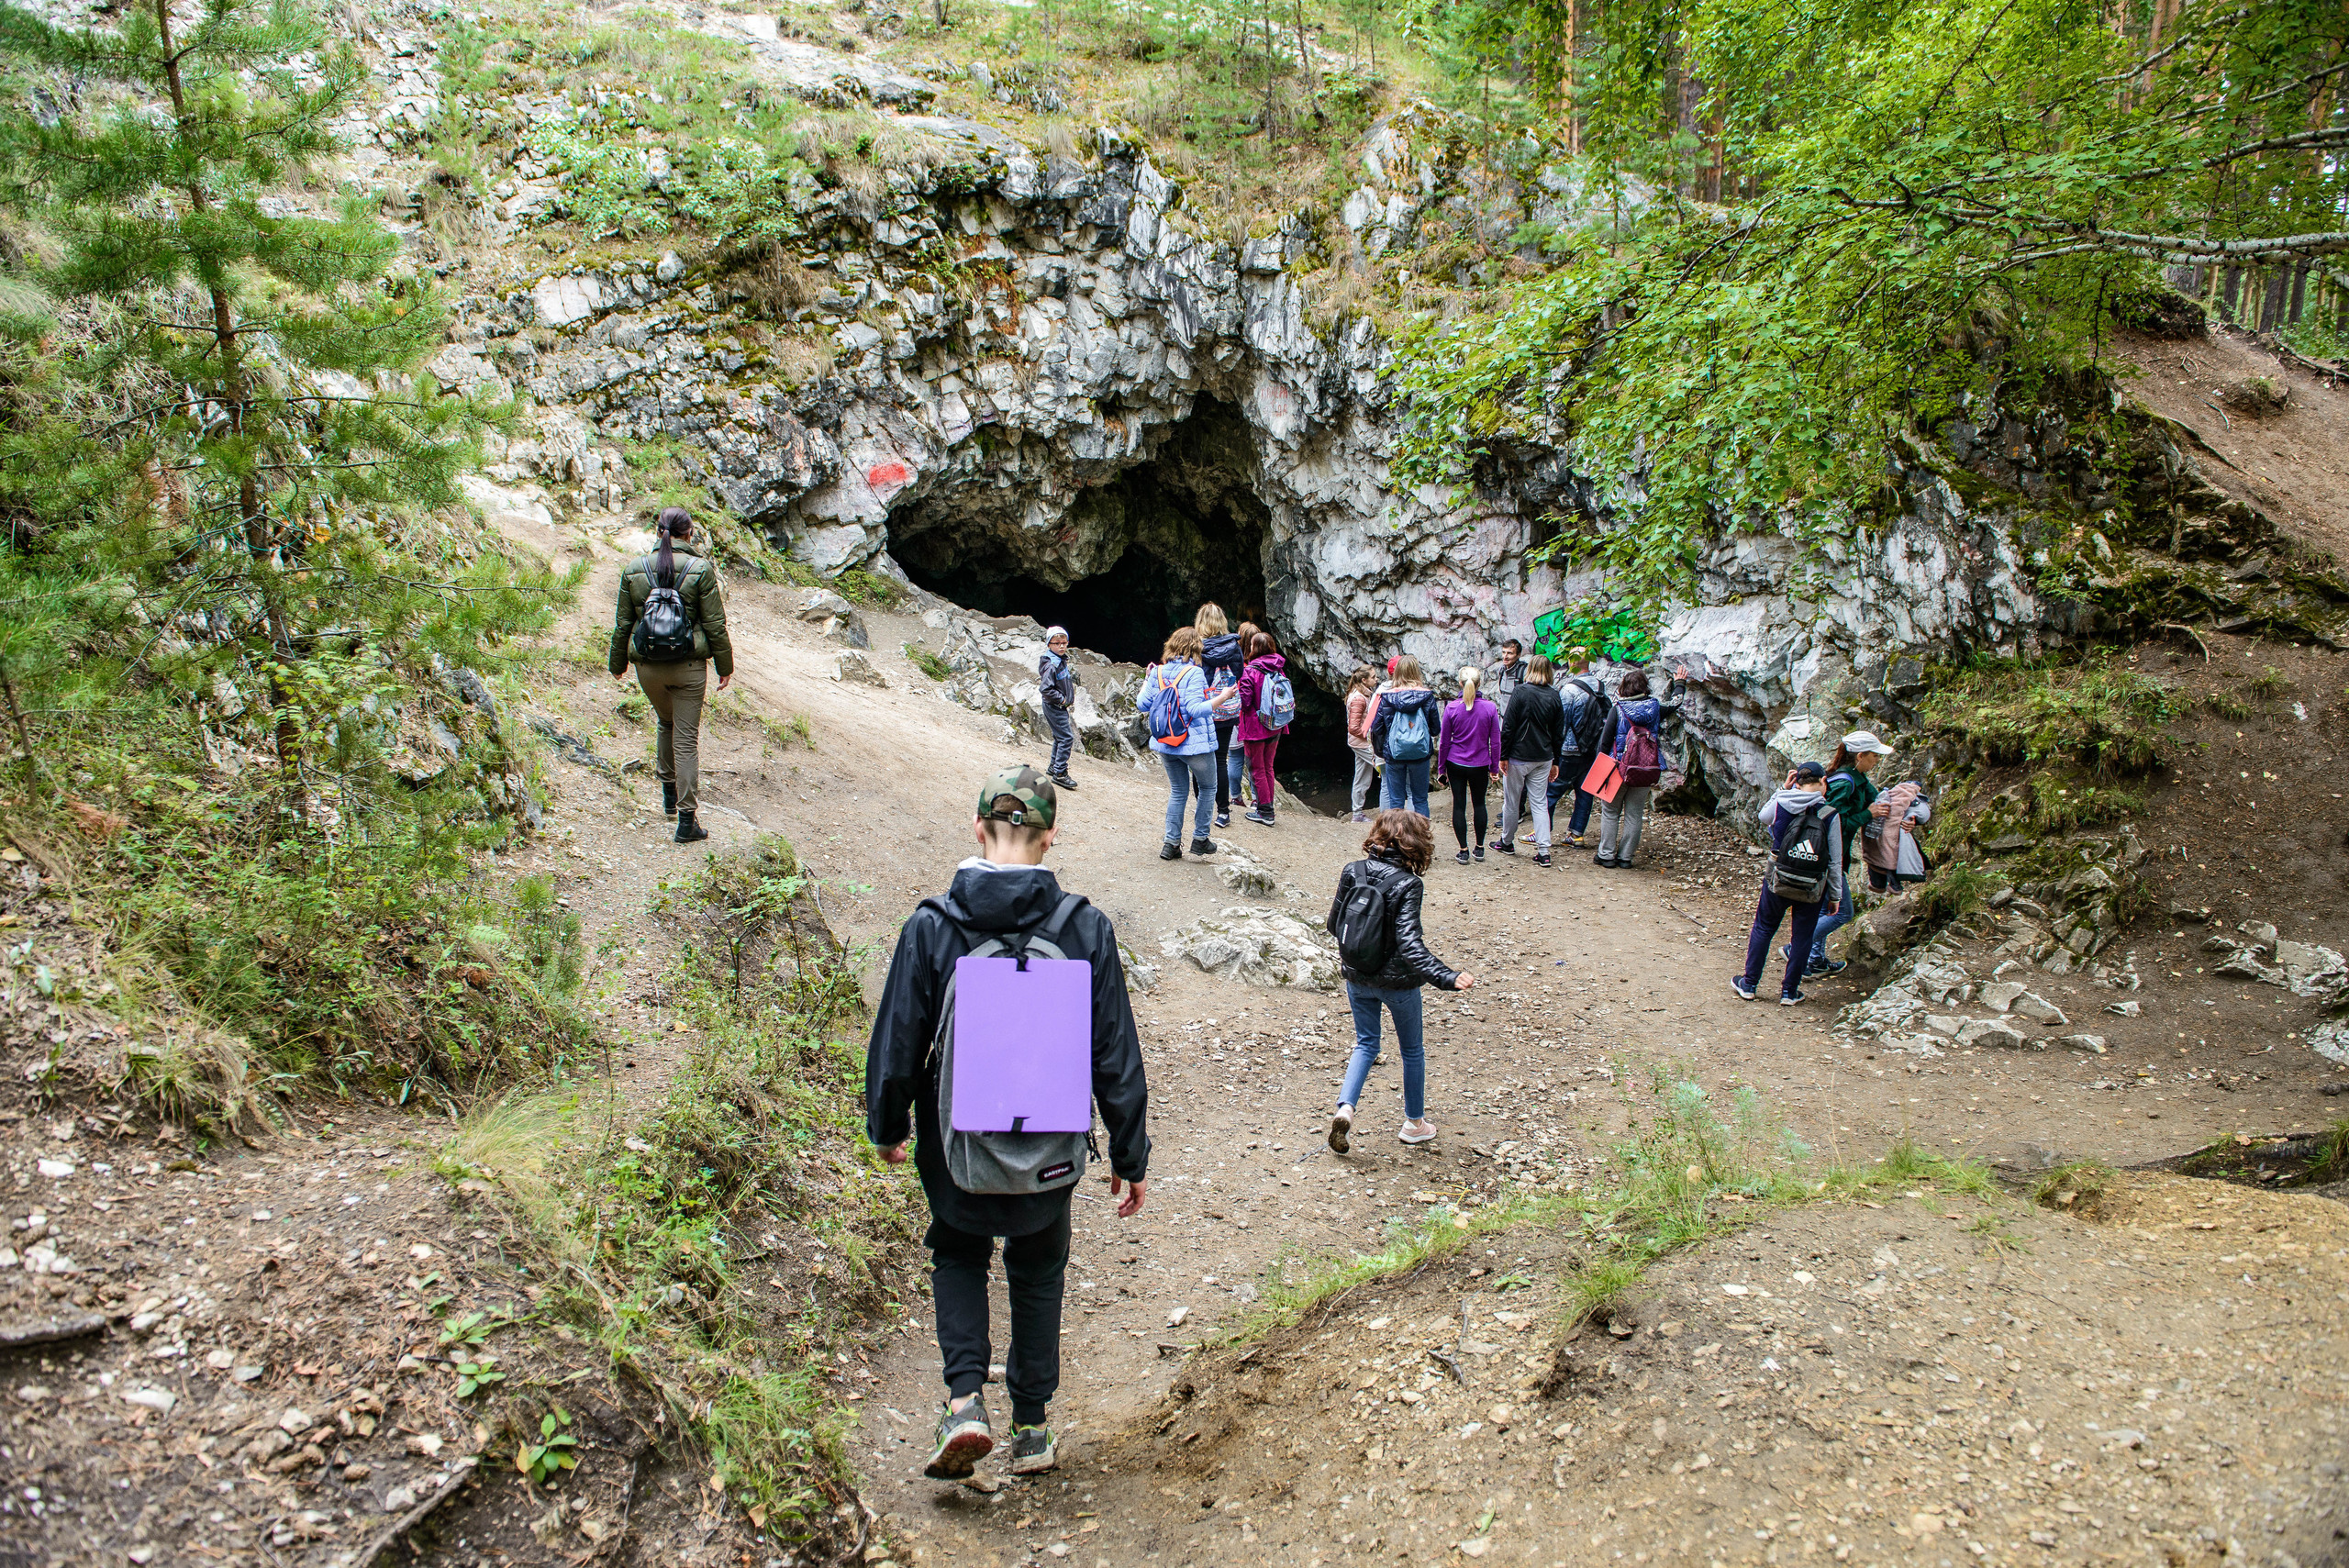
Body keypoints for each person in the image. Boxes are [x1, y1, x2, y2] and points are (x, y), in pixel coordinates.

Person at [865, 766, 1151, 1481]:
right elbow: (1113, 1050)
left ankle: (965, 1401)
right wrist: (1129, 1150)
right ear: (1052, 835)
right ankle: (1031, 1426)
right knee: (1038, 1264)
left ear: (977, 830)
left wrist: (887, 1123)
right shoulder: (1083, 926)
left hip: (956, 1145)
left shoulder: (934, 925)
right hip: (1050, 1152)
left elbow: (900, 1034)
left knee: (958, 1251)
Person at [1323, 809, 1475, 1151]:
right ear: (1416, 844)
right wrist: (1447, 977)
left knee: (1366, 1044)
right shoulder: (1408, 884)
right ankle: (1414, 1124)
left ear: (1379, 834)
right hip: (1399, 985)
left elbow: (1334, 924)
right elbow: (1410, 944)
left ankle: (1345, 1108)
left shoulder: (1353, 870)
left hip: (1356, 974)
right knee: (1411, 1050)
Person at [608, 506, 733, 844]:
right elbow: (714, 625)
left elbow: (623, 624)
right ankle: (686, 821)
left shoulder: (634, 569)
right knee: (686, 738)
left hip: (647, 667)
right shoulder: (700, 568)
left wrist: (617, 664)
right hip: (689, 667)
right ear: (689, 533)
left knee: (666, 723)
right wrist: (725, 667)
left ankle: (667, 798)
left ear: (657, 530)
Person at [1733, 762, 1845, 1005]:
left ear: (1796, 781)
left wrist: (1781, 790)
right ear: (1823, 782)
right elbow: (1835, 862)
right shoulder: (1830, 815)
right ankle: (1789, 992)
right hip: (1812, 885)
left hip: (1778, 878)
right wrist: (1835, 896)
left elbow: (1764, 817)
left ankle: (1749, 984)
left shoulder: (1783, 802)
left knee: (1764, 928)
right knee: (1802, 937)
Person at [1800, 732, 1892, 975]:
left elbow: (1878, 799)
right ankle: (1796, 946)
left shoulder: (1856, 778)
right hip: (1829, 856)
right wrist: (1867, 815)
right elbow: (1834, 821)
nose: (1877, 761)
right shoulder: (1845, 783)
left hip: (1829, 855)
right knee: (1843, 912)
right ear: (1860, 756)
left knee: (1824, 909)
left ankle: (1814, 960)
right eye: (1874, 756)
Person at [1145, 628, 1219, 861]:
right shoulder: (1194, 673)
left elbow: (1142, 703)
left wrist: (1148, 679)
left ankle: (1171, 844)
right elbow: (1196, 709)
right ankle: (1200, 840)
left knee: (1178, 792)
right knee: (1208, 788)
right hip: (1194, 745)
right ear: (1196, 647)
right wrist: (1223, 697)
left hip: (1166, 742)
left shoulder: (1157, 672)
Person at [1594, 670, 1672, 869]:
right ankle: (1626, 857)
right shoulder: (1655, 708)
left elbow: (1605, 743)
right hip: (1646, 767)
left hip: (1619, 767)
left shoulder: (1618, 709)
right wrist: (1680, 684)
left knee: (1610, 811)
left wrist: (1601, 768)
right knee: (1635, 813)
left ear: (1624, 688)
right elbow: (1675, 704)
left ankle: (1607, 855)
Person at [1495, 652, 1564, 867]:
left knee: (1512, 801)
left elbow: (1508, 726)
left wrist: (1502, 755)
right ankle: (1544, 851)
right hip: (1543, 757)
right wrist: (1556, 761)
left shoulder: (1520, 692)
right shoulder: (1554, 696)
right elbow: (1558, 732)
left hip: (1518, 756)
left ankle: (1507, 841)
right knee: (1539, 803)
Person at [1436, 666, 1501, 862]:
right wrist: (1494, 768)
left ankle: (1463, 850)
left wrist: (1441, 769)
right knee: (1479, 803)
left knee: (1459, 805)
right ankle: (1479, 848)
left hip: (1455, 762)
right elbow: (1495, 741)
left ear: (1459, 684)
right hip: (1480, 763)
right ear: (1479, 683)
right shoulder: (1490, 708)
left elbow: (1444, 741)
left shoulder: (1452, 708)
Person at [1549, 648, 1609, 847]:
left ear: (1573, 662)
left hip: (1570, 749)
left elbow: (1561, 725)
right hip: (1592, 748)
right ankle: (1577, 834)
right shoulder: (1600, 686)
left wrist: (1553, 754)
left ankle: (1542, 831)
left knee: (1552, 790)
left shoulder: (1569, 690)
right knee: (1584, 791)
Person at [1369, 656, 1440, 817]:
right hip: (1420, 754)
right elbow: (1435, 729)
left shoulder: (1387, 697)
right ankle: (1420, 839)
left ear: (1397, 673)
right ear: (1416, 672)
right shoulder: (1427, 696)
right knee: (1420, 799)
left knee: (1396, 801)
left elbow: (1377, 728)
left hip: (1395, 755)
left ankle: (1396, 839)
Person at [1235, 630, 1290, 827]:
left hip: (1255, 728)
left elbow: (1245, 701)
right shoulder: (1279, 668)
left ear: (1255, 649)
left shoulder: (1250, 671)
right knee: (1268, 767)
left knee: (1256, 768)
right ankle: (1269, 807)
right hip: (1275, 725)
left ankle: (1265, 812)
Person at [1197, 605, 1244, 828]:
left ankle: (1202, 807)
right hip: (1227, 709)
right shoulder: (1233, 645)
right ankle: (1223, 812)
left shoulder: (1197, 646)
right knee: (1220, 760)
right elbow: (1239, 673)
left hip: (1204, 708)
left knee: (1198, 758)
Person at [1863, 778, 1928, 893]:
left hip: (1876, 833)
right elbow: (1923, 813)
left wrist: (1911, 819)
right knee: (1891, 862)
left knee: (1877, 861)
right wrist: (1912, 817)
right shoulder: (1912, 798)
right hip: (1892, 838)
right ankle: (1894, 886)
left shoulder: (1888, 794)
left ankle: (1878, 885)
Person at [1038, 627, 1080, 792]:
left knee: (1059, 737)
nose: (1062, 646)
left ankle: (1053, 767)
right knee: (1067, 738)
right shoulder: (1052, 664)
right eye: (1057, 643)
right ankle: (1060, 773)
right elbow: (1046, 688)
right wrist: (1062, 699)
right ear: (1049, 644)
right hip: (1055, 706)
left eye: (1064, 643)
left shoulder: (1059, 660)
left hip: (1057, 706)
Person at [1342, 665, 1380, 822]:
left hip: (1359, 742)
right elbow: (1353, 727)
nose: (1376, 679)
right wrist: (1370, 736)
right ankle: (1392, 810)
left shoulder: (1362, 694)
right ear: (1364, 680)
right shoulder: (1359, 698)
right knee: (1384, 769)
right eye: (1373, 677)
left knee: (1362, 776)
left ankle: (1357, 813)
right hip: (1363, 743)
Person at [1489, 639, 1527, 706]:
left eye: (1509, 653)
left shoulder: (1524, 672)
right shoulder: (1502, 671)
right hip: (1503, 716)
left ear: (1518, 655)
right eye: (1503, 652)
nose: (1505, 656)